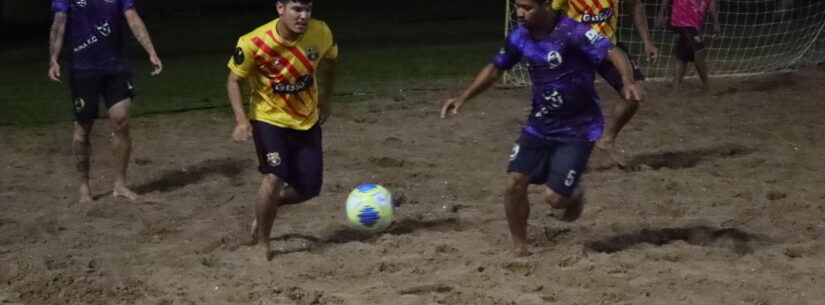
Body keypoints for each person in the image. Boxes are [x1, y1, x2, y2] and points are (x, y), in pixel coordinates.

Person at [441, 0, 644, 257]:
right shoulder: (519, 37)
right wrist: (463, 97)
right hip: (539, 126)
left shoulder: (572, 31)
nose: (520, 13)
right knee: (514, 182)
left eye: (527, 7)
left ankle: (573, 194)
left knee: (555, 199)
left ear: (547, 5)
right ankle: (520, 248)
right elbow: (495, 69)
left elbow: (613, 51)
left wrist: (627, 80)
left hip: (578, 129)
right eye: (518, 6)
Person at [226, 0, 337, 260]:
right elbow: (233, 81)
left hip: (306, 120)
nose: (304, 16)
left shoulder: (321, 32)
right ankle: (263, 244)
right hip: (269, 120)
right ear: (280, 8)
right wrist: (242, 120)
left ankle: (266, 208)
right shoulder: (254, 42)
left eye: (308, 9)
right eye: (297, 9)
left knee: (309, 188)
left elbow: (331, 62)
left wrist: (327, 99)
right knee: (274, 176)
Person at [48, 0, 163, 203]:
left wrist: (151, 51)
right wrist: (53, 58)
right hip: (83, 69)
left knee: (121, 122)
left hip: (116, 67)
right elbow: (59, 22)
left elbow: (133, 18)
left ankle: (120, 185)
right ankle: (84, 188)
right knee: (83, 127)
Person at [551, 0, 657, 166]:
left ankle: (606, 140)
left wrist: (647, 40)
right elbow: (551, 14)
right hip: (576, 49)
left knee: (635, 93)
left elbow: (635, 6)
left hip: (610, 48)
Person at [656, 0, 720, 92]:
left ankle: (675, 88)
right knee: (699, 52)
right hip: (681, 21)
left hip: (694, 25)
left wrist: (716, 23)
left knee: (683, 57)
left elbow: (712, 5)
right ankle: (708, 86)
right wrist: (660, 15)